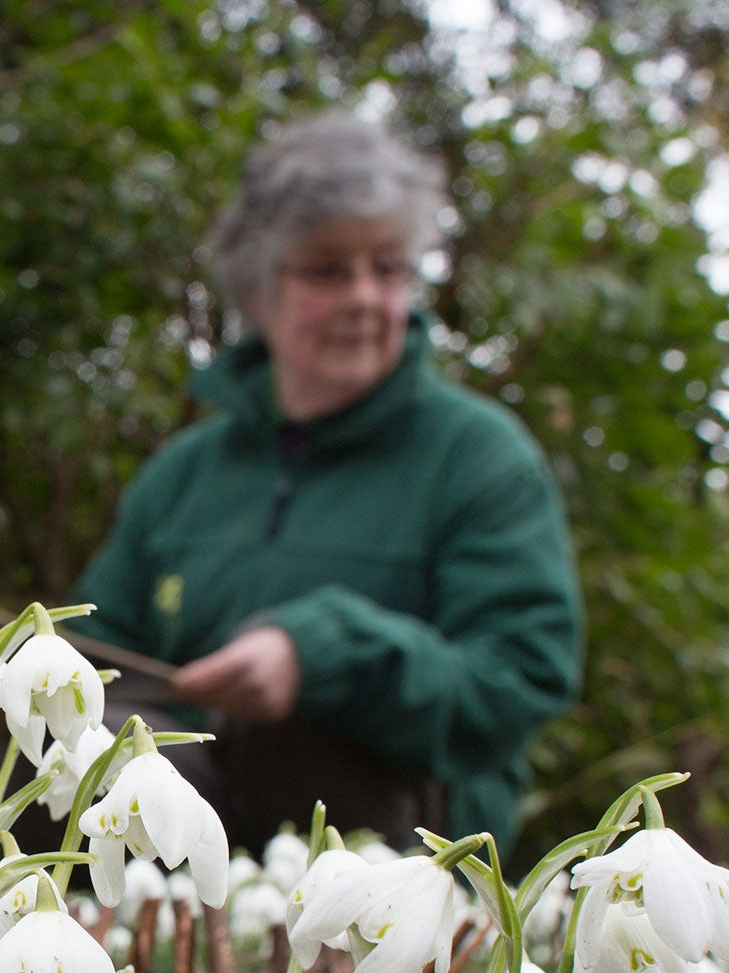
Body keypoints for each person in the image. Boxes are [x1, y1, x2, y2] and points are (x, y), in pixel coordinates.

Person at [70, 113, 583, 856]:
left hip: (399, 855)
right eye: (326, 269)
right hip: (192, 847)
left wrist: (326, 655)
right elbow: (98, 656)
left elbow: (521, 680)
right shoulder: (183, 476)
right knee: (87, 759)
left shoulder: (478, 457)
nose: (365, 298)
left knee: (300, 747)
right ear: (256, 286)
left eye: (389, 268)